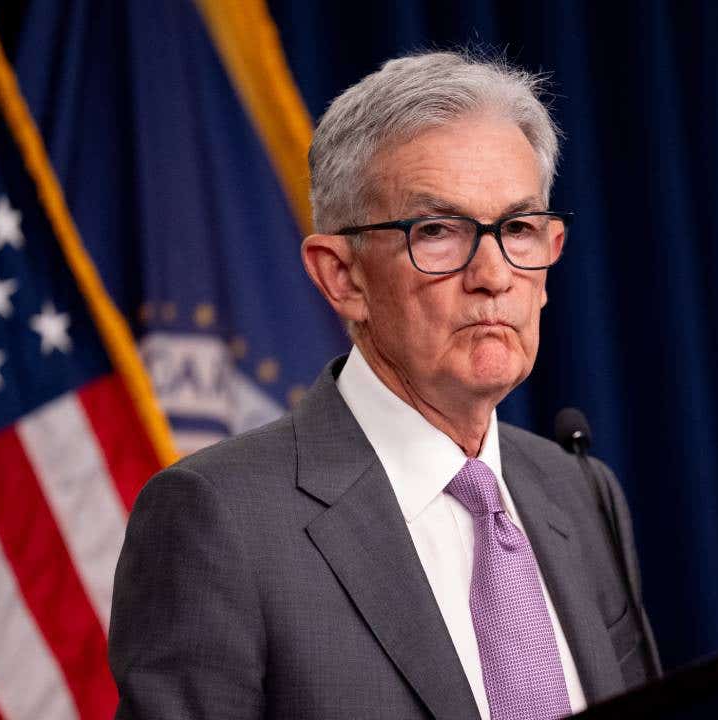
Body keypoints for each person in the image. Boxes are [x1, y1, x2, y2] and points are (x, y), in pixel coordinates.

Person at [108, 51, 660, 720]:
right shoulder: (218, 520)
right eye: (438, 232)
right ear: (342, 277)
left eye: (517, 228)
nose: (492, 273)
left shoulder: (580, 493)